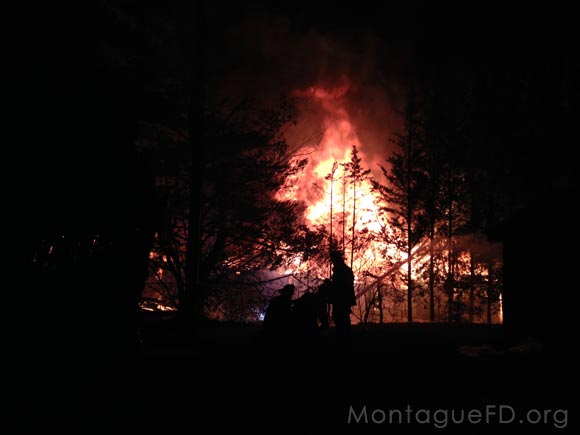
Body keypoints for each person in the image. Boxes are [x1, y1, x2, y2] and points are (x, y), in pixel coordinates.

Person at [329, 250, 356, 339]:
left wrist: (331, 286)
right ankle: (343, 336)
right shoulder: (343, 269)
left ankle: (343, 338)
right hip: (344, 299)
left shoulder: (341, 270)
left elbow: (340, 286)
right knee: (341, 318)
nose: (332, 262)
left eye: (333, 260)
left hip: (341, 299)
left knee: (340, 318)